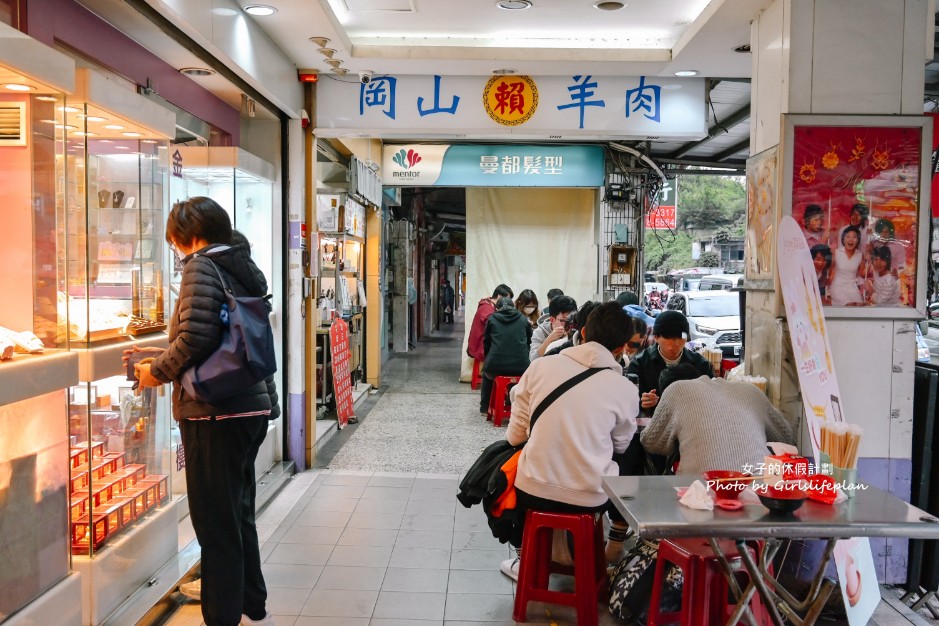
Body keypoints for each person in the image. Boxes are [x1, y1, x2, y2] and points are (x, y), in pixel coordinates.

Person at [130, 197, 274, 626]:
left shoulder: (199, 266)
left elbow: (196, 335)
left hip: (214, 411)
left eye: (177, 241)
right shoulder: (241, 264)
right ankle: (250, 599)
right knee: (237, 511)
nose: (177, 250)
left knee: (214, 523)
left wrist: (155, 371)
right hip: (249, 408)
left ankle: (221, 614)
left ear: (189, 236)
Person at [501, 302, 640, 580]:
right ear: (623, 346)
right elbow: (621, 446)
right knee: (627, 457)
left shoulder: (541, 367)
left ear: (584, 331)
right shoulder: (624, 387)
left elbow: (515, 436)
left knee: (504, 469)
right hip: (591, 497)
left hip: (533, 489)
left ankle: (524, 560)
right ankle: (612, 541)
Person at [640, 364, 794, 476]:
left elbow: (650, 442)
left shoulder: (675, 389)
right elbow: (786, 437)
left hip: (699, 492)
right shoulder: (752, 390)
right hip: (762, 487)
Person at [623, 310, 713, 475]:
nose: (675, 345)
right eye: (670, 340)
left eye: (680, 339)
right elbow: (627, 402)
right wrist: (641, 400)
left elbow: (711, 397)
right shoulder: (640, 364)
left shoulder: (700, 365)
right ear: (656, 337)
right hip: (653, 431)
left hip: (691, 430)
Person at [480, 297, 533, 415]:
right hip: (521, 366)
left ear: (496, 308)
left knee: (487, 375)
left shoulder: (492, 319)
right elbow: (529, 340)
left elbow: (486, 342)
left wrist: (488, 358)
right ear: (513, 307)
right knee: (517, 374)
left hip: (495, 366)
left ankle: (484, 407)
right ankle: (511, 402)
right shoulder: (523, 319)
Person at [467, 284, 513, 363]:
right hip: (480, 348)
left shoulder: (489, 306)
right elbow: (496, 326)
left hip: (479, 345)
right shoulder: (487, 309)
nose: (507, 302)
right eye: (507, 299)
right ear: (499, 297)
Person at [529, 295, 578, 361]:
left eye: (572, 319)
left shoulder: (576, 329)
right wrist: (549, 340)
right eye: (563, 320)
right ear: (552, 319)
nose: (568, 323)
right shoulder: (540, 332)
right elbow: (533, 359)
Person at [829, 225, 864, 306]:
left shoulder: (860, 255)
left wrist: (869, 260)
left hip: (852, 287)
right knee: (849, 305)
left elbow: (862, 273)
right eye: (848, 236)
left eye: (854, 237)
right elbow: (829, 269)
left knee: (859, 306)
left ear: (858, 240)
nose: (851, 240)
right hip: (838, 286)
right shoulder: (836, 252)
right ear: (843, 239)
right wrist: (827, 279)